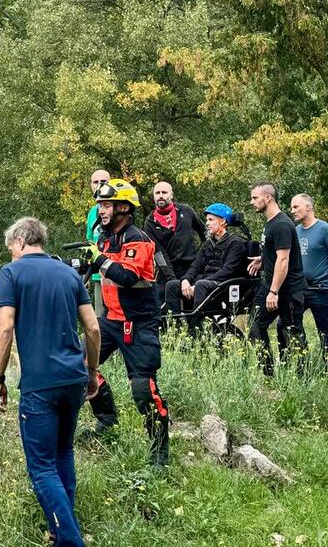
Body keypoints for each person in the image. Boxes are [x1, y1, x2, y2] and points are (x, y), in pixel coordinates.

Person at [0, 217, 101, 547]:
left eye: (11, 246)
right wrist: (92, 373)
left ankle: (69, 540)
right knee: (63, 454)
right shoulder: (69, 274)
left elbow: (5, 327)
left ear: (22, 241)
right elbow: (93, 329)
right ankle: (59, 532)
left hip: (40, 384)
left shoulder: (11, 273)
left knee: (41, 468)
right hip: (73, 379)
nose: (10, 252)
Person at [83, 179, 170, 468]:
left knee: (143, 388)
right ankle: (106, 420)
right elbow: (98, 267)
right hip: (110, 320)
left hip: (139, 323)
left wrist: (99, 261)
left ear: (123, 207)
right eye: (99, 205)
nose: (101, 211)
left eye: (106, 205)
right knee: (78, 363)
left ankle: (159, 451)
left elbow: (127, 277)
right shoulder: (103, 237)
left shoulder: (138, 239)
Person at [246, 182, 308, 376]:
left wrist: (273, 292)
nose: (252, 202)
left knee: (293, 332)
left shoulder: (281, 224)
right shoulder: (271, 222)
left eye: (255, 198)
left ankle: (302, 378)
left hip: (288, 289)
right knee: (255, 324)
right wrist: (263, 260)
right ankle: (268, 374)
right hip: (271, 284)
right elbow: (275, 254)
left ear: (268, 197)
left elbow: (283, 260)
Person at [163, 203, 248, 329]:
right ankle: (174, 327)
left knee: (201, 284)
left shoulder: (236, 243)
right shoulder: (208, 244)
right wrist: (186, 280)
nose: (207, 223)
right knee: (172, 285)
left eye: (210, 220)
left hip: (223, 285)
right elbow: (195, 267)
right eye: (206, 220)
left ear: (223, 221)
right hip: (205, 283)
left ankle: (194, 328)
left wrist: (197, 285)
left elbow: (228, 271)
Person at [288, 194, 328, 379]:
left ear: (308, 207)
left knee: (324, 332)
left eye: (296, 207)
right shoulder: (295, 231)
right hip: (299, 289)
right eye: (292, 207)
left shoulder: (324, 229)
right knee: (288, 325)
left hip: (321, 289)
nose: (293, 211)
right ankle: (301, 371)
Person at [143, 182, 205, 310]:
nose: (161, 196)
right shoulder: (149, 222)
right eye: (157, 193)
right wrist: (173, 279)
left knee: (194, 310)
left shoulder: (186, 211)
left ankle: (194, 330)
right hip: (167, 272)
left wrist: (203, 254)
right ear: (153, 196)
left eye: (164, 193)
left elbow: (204, 231)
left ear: (171, 195)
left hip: (191, 268)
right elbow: (158, 253)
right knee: (165, 312)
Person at [85, 169, 110, 315]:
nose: (99, 185)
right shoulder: (92, 213)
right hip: (96, 273)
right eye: (96, 182)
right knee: (100, 316)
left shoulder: (117, 209)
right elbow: (90, 242)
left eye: (104, 182)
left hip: (114, 273)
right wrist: (86, 274)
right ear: (91, 186)